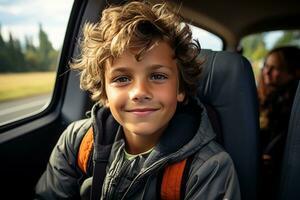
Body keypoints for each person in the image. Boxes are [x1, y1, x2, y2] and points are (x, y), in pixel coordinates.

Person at [34, 1, 240, 199]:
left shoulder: (208, 169)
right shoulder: (77, 142)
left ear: (181, 89)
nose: (139, 92)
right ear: (104, 93)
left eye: (158, 76)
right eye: (122, 79)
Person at [258, 46, 300, 198]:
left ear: (294, 72)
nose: (266, 72)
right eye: (266, 66)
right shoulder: (262, 98)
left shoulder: (289, 104)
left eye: (275, 68)